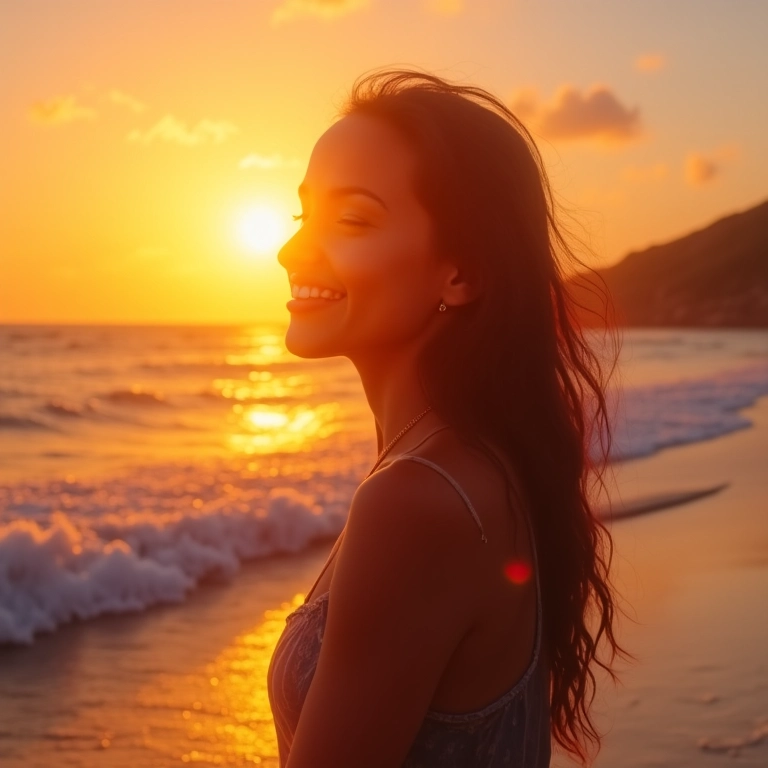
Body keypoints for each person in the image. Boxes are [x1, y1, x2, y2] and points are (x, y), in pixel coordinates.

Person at [266, 68, 624, 768]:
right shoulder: (474, 460)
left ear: (460, 273)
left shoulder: (417, 500)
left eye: (352, 220)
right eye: (303, 217)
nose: (291, 252)